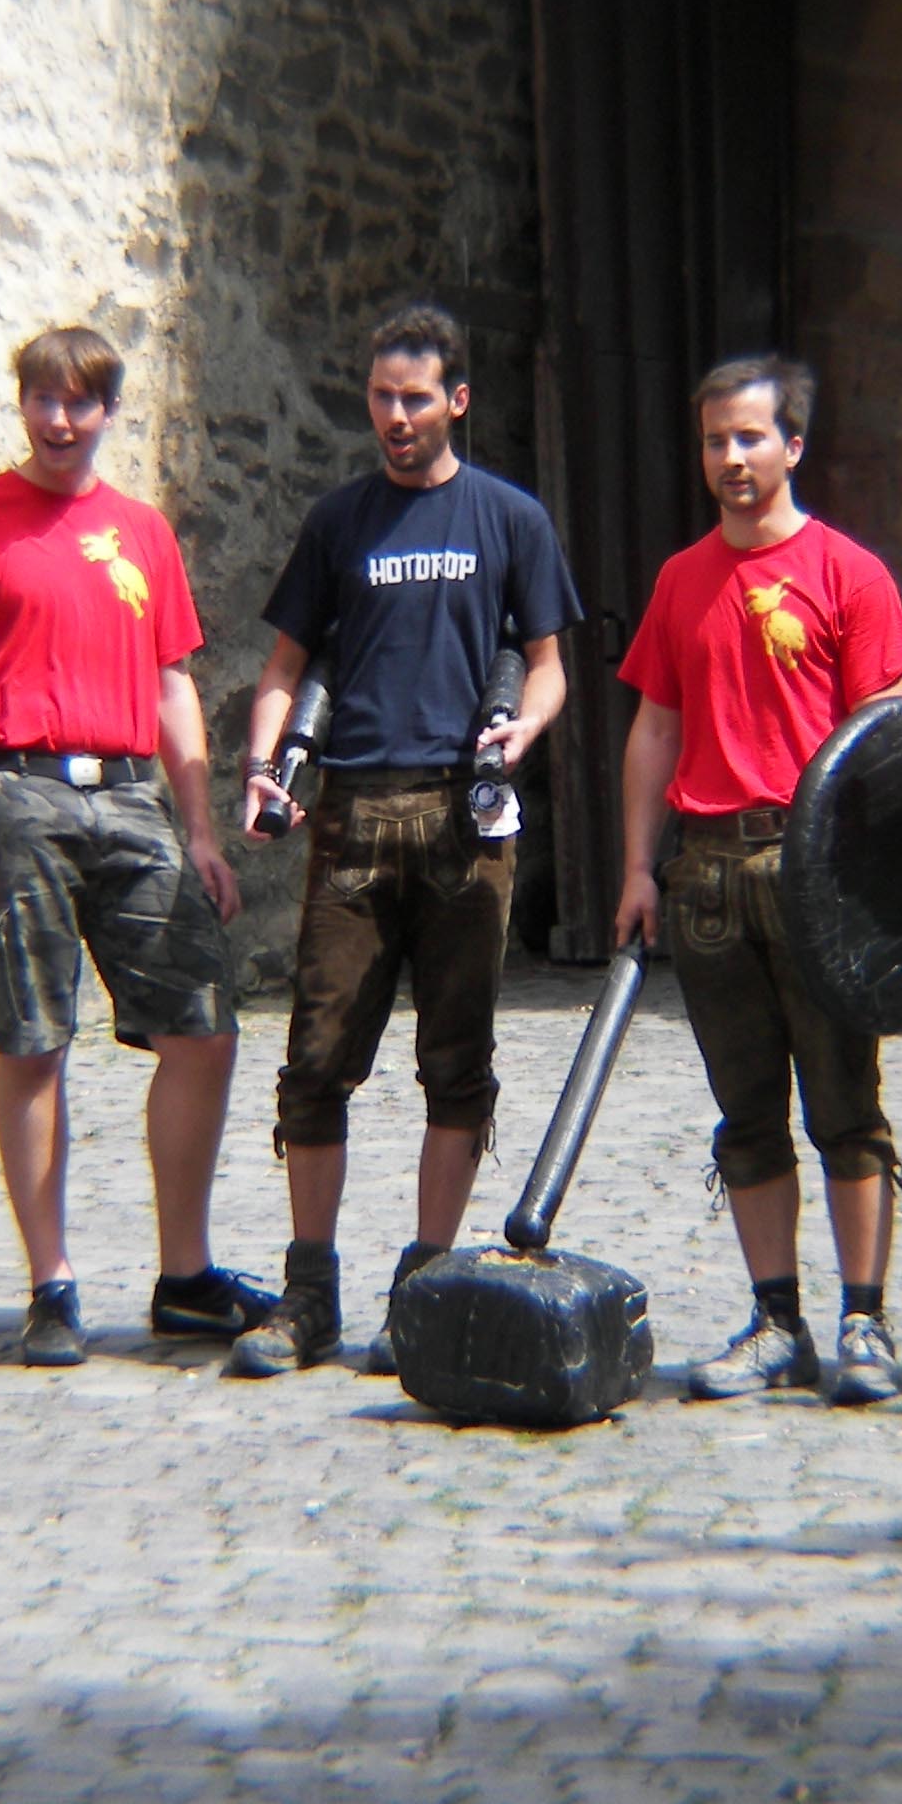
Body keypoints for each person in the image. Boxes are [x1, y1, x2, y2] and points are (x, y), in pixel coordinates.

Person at [226, 302, 582, 1378]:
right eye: (382, 397)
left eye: (415, 398)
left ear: (456, 401)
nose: (395, 416)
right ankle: (308, 1295)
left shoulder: (510, 519)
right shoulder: (340, 521)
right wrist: (263, 766)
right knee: (313, 1063)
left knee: (456, 1064)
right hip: (352, 816)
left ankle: (422, 1292)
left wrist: (526, 728)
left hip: (464, 822)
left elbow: (549, 664)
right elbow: (285, 667)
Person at [0, 327, 270, 1367]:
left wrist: (199, 829)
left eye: (81, 403)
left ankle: (185, 1279)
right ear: (23, 405)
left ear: (110, 412)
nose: (61, 421)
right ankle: (51, 1286)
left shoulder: (142, 532)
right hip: (16, 792)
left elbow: (172, 686)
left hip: (129, 795)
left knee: (203, 1028)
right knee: (34, 1040)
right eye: (44, 400)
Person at [612, 356, 902, 1407]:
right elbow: (655, 729)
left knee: (845, 1105)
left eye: (750, 437)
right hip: (707, 871)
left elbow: (888, 741)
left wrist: (872, 886)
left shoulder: (850, 575)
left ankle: (864, 1321)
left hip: (814, 867)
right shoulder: (682, 580)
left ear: (793, 445)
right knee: (745, 1113)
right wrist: (637, 868)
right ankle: (776, 1321)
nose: (731, 458)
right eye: (716, 440)